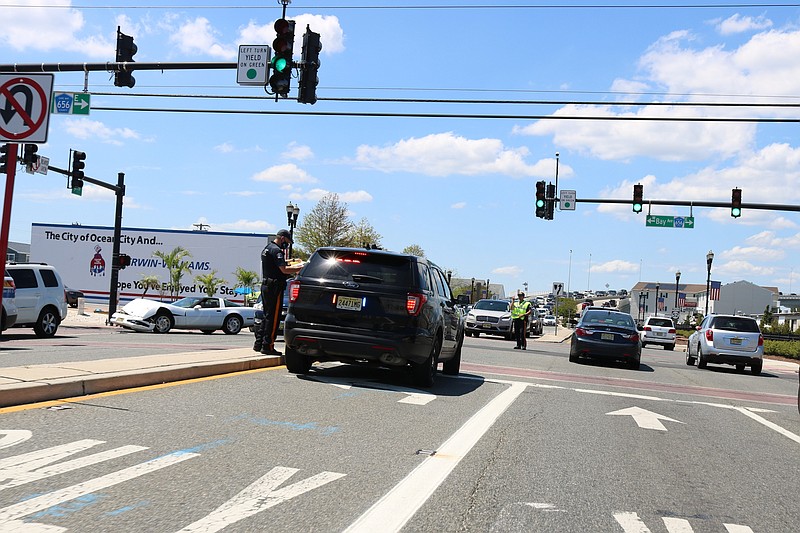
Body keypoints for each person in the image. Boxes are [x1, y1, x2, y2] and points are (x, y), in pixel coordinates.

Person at [253, 229, 304, 356]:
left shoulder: (267, 248)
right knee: (273, 318)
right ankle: (268, 345)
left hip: (266, 285)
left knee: (266, 316)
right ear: (282, 238)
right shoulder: (277, 251)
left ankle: (259, 343)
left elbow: (277, 264)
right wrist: (300, 268)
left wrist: (292, 262)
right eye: (287, 242)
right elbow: (284, 269)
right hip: (274, 287)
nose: (287, 245)